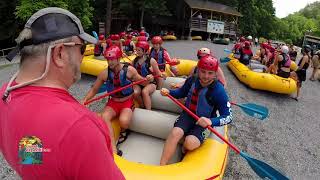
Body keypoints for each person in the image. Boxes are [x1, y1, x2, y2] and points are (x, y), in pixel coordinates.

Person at [0, 7, 124, 179]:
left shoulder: (4, 96)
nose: (82, 57)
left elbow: (31, 157)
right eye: (82, 48)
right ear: (60, 53)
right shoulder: (81, 128)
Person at [159, 55, 232, 165]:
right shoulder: (192, 80)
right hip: (188, 115)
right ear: (198, 70)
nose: (206, 76)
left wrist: (211, 121)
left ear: (215, 74)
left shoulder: (219, 90)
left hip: (204, 122)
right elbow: (181, 92)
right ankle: (162, 165)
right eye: (203, 72)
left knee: (189, 143)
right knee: (175, 133)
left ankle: (185, 144)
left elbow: (228, 117)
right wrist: (170, 93)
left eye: (210, 73)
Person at [81, 46, 154, 154]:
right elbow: (94, 89)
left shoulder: (129, 70)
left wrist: (148, 79)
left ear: (118, 58)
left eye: (112, 59)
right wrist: (85, 99)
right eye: (108, 59)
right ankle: (113, 149)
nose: (109, 62)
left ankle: (124, 130)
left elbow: (142, 82)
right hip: (113, 102)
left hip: (127, 101)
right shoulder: (104, 73)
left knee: (124, 122)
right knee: (105, 117)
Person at [132, 41, 161, 109]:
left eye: (139, 50)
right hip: (139, 82)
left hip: (151, 83)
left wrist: (159, 89)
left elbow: (158, 74)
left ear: (145, 51)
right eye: (136, 50)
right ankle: (142, 106)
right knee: (135, 93)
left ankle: (148, 111)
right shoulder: (135, 61)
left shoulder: (151, 61)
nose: (137, 52)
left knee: (144, 92)